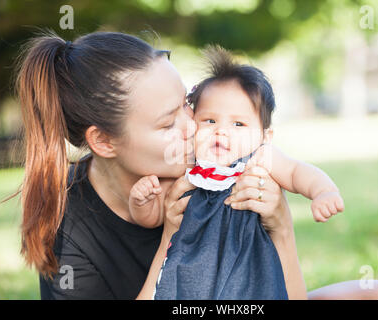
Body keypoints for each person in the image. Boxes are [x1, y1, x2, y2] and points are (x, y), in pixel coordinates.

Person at [12, 30, 378, 300]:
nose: (194, 127)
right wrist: (169, 233)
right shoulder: (69, 227)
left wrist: (280, 226)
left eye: (188, 103)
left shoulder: (221, 170)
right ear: (103, 141)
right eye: (168, 123)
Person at [130, 46, 345, 299]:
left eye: (238, 124)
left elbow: (298, 172)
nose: (221, 131)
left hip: (250, 273)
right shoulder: (191, 167)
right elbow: (155, 217)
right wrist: (140, 204)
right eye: (209, 121)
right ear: (193, 123)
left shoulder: (259, 157)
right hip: (195, 277)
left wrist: (323, 191)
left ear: (265, 136)